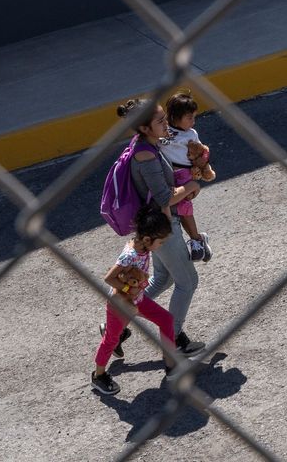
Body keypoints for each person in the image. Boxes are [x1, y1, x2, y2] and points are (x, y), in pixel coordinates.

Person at [116, 97, 208, 358]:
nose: (166, 123)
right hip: (162, 228)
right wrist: (189, 187)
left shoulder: (149, 145)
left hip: (158, 224)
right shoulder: (145, 155)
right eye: (160, 121)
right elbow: (164, 197)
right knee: (188, 282)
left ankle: (117, 323)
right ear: (144, 128)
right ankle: (175, 338)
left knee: (163, 279)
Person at [91, 202, 178, 396]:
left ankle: (170, 362)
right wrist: (130, 288)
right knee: (110, 340)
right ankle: (99, 376)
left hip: (138, 299)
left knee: (166, 320)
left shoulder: (144, 248)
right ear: (147, 239)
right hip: (120, 304)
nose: (161, 246)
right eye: (160, 242)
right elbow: (109, 278)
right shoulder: (129, 255)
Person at [158, 92, 216, 262]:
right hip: (166, 174)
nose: (193, 121)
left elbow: (200, 154)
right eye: (189, 117)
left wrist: (204, 168)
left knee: (183, 209)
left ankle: (197, 240)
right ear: (175, 117)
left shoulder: (191, 134)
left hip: (183, 175)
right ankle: (196, 239)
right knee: (175, 209)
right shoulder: (163, 130)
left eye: (194, 117)